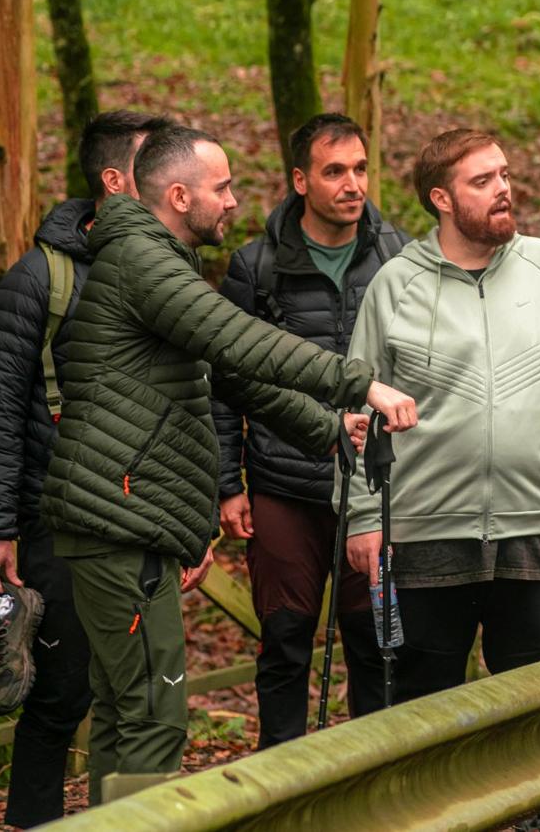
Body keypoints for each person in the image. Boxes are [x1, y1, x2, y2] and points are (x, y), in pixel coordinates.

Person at [38, 124, 417, 803]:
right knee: (152, 718)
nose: (235, 201)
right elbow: (242, 342)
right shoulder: (142, 262)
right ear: (180, 196)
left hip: (128, 518)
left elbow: (230, 377)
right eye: (223, 188)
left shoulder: (154, 261)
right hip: (121, 518)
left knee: (130, 712)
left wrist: (333, 432)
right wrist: (360, 383)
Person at [344, 128, 540, 832]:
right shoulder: (396, 284)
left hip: (533, 527)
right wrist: (361, 515)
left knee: (528, 695)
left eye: (504, 174)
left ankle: (529, 819)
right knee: (423, 702)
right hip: (423, 531)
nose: (503, 188)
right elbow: (355, 404)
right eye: (482, 180)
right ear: (441, 199)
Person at [0, 110, 170, 828]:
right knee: (60, 695)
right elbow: (2, 410)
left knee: (143, 699)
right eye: (154, 163)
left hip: (145, 525)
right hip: (58, 523)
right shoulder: (38, 279)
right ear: (115, 180)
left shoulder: (168, 271)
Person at [211, 113, 410, 741]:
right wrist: (227, 481)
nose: (353, 184)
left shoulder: (398, 255)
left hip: (378, 487)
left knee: (376, 644)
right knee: (285, 642)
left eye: (360, 168)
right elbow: (225, 378)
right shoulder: (256, 266)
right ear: (301, 180)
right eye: (334, 171)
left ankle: (374, 787)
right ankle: (282, 789)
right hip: (283, 483)